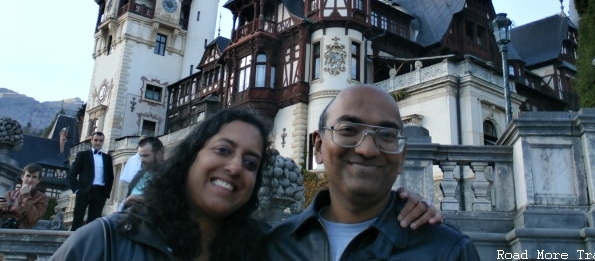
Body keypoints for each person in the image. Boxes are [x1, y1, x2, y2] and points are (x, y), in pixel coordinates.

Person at [50, 109, 440, 261]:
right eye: (223, 150)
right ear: (189, 158)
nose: (235, 167)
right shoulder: (105, 242)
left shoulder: (264, 250)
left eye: (251, 162)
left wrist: (399, 206)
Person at [265, 84, 481, 261]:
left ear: (402, 156)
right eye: (348, 130)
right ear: (318, 147)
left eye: (387, 135)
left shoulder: (448, 252)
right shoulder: (276, 246)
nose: (367, 150)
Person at [68, 131, 114, 230]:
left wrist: (106, 193)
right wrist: (76, 189)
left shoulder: (107, 158)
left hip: (100, 192)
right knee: (77, 219)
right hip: (84, 191)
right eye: (96, 140)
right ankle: (73, 243)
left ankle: (89, 243)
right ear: (91, 141)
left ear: (103, 142)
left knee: (94, 222)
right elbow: (72, 174)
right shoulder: (83, 155)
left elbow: (110, 177)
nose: (98, 142)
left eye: (101, 140)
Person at [0, 163, 48, 229]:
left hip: (21, 235)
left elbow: (33, 218)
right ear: (22, 177)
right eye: (28, 176)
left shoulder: (42, 198)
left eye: (34, 177)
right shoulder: (9, 194)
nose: (30, 179)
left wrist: (26, 195)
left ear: (38, 180)